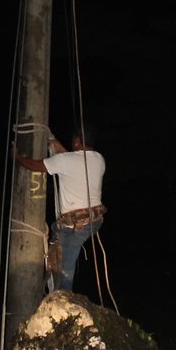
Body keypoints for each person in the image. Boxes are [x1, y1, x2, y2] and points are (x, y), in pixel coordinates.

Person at [12, 124, 106, 292]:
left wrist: (17, 157)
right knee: (59, 247)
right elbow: (70, 159)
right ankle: (57, 288)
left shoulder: (66, 161)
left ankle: (63, 298)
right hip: (94, 220)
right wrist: (54, 141)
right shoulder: (99, 159)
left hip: (76, 227)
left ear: (76, 141)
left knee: (63, 273)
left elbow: (35, 165)